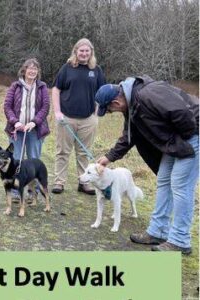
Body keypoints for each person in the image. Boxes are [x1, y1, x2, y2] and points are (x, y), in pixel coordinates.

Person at [94, 76, 199, 255]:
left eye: (110, 110)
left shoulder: (149, 94)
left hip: (191, 136)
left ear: (116, 102)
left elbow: (181, 112)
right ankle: (158, 231)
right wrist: (109, 157)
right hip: (175, 142)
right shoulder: (132, 106)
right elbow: (129, 136)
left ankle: (180, 240)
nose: (113, 112)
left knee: (181, 186)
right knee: (164, 181)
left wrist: (184, 138)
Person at [51, 38, 105, 195]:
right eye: (81, 50)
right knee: (62, 151)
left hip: (88, 119)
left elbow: (102, 93)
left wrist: (96, 114)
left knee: (83, 152)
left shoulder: (96, 70)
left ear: (91, 53)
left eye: (87, 51)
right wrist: (57, 112)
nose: (84, 53)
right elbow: (56, 89)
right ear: (76, 51)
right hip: (66, 118)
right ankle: (59, 182)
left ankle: (84, 183)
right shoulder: (67, 68)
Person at [3, 58, 50, 198]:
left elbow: (45, 107)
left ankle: (33, 192)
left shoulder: (42, 87)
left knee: (33, 161)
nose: (32, 71)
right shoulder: (15, 86)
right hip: (17, 130)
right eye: (30, 68)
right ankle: (16, 191)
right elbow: (7, 106)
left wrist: (34, 122)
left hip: (35, 131)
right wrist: (15, 122)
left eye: (35, 69)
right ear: (24, 70)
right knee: (16, 159)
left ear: (38, 72)